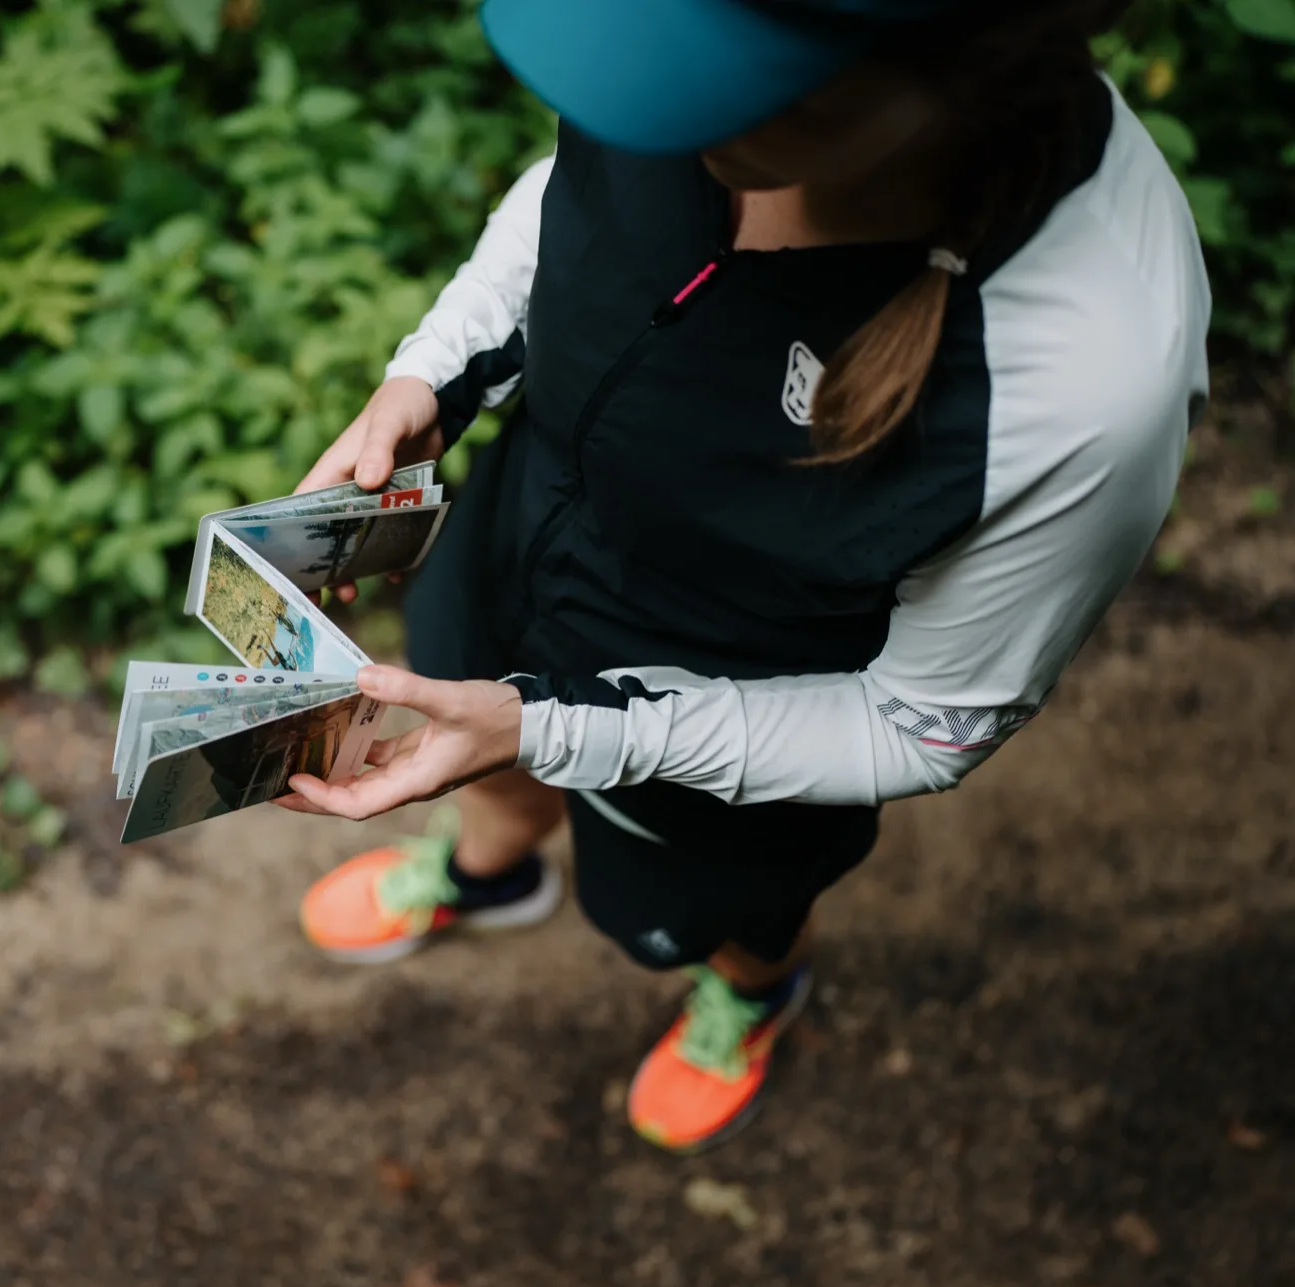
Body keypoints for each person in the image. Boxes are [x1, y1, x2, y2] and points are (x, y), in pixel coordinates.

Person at [278, 0, 1210, 1152]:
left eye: (708, 98)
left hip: (727, 725)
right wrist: (430, 378)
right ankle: (489, 869)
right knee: (455, 717)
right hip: (524, 538)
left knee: (707, 906)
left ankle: (753, 990)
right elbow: (561, 203)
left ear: (939, 71)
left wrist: (555, 729)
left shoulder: (1080, 373)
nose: (639, 112)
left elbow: (922, 722)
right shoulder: (668, 70)